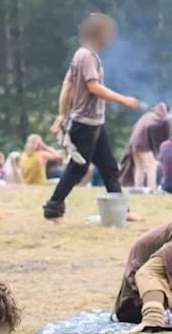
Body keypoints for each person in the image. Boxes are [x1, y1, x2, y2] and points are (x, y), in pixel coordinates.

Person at [43, 14, 141, 222]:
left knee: (108, 166)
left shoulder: (79, 55)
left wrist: (62, 114)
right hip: (86, 123)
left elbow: (67, 86)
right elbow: (93, 86)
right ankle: (53, 208)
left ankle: (120, 209)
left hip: (94, 123)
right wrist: (123, 100)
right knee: (77, 167)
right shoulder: (87, 56)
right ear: (99, 35)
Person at [120, 102, 170, 189]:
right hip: (143, 145)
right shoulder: (155, 118)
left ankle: (138, 188)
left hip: (133, 145)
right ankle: (152, 188)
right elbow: (163, 126)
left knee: (139, 167)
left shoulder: (146, 116)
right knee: (152, 166)